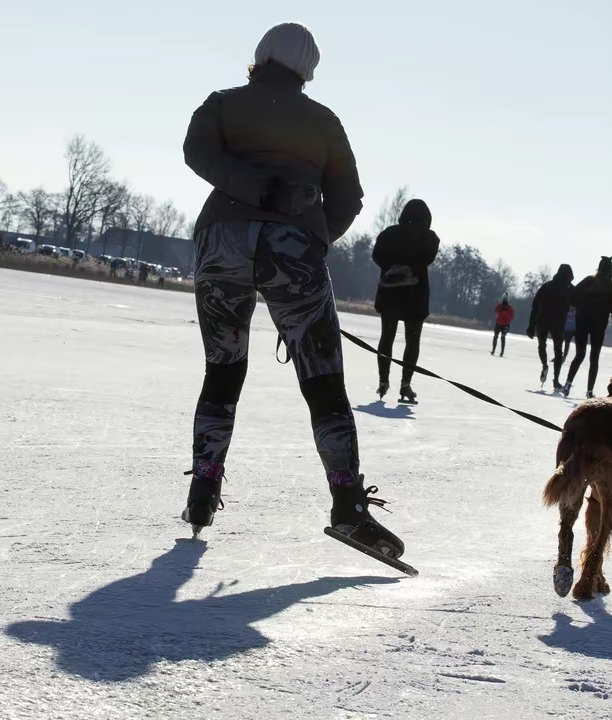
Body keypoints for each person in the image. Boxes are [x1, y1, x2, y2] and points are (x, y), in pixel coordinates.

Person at [180, 23, 403, 557]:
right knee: (323, 381)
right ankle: (348, 505)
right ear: (308, 70)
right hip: (294, 249)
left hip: (220, 243)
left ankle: (203, 488)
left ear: (261, 58)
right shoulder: (324, 122)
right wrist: (310, 235)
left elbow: (196, 151)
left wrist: (250, 189)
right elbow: (348, 197)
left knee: (223, 368)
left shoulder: (222, 104)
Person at [372, 199, 440, 403]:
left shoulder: (389, 234)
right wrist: (409, 267)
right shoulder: (430, 238)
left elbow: (377, 256)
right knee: (412, 340)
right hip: (415, 296)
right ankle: (405, 384)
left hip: (391, 293)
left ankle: (383, 381)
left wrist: (393, 267)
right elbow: (426, 258)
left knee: (387, 337)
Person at [561, 256, 612, 398]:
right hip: (598, 326)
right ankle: (589, 391)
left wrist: (577, 306)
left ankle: (568, 384)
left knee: (579, 354)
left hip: (582, 322)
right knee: (594, 358)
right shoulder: (611, 288)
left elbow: (572, 296)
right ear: (610, 270)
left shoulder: (588, 281)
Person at [526, 263, 574, 389]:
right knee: (558, 352)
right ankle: (556, 380)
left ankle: (544, 366)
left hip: (542, 320)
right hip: (558, 323)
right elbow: (579, 303)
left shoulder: (547, 286)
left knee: (542, 345)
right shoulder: (570, 289)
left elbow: (534, 306)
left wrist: (531, 325)